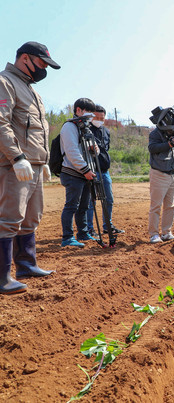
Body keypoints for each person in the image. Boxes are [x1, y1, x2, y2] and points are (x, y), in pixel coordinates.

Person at [0, 41, 59, 293]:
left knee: (31, 218)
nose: (44, 69)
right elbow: (1, 123)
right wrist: (16, 157)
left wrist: (42, 162)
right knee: (9, 218)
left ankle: (26, 265)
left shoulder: (32, 90)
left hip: (34, 165)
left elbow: (38, 131)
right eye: (42, 63)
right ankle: (2, 277)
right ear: (26, 58)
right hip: (16, 165)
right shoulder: (6, 82)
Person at [60, 98, 98, 247]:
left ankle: (83, 233)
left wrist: (94, 149)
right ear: (78, 110)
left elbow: (95, 149)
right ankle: (67, 237)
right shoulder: (69, 127)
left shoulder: (85, 127)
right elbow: (71, 151)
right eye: (87, 111)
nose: (90, 115)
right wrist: (85, 169)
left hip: (84, 173)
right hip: (72, 172)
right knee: (71, 206)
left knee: (84, 206)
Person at [148, 108, 174, 243]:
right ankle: (154, 234)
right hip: (159, 173)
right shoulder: (156, 133)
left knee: (170, 205)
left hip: (172, 174)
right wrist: (169, 144)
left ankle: (166, 232)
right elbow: (152, 148)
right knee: (156, 206)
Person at [85, 104, 124, 236]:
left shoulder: (106, 131)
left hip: (104, 170)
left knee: (108, 198)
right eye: (96, 117)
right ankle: (89, 228)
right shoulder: (86, 130)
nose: (99, 119)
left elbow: (105, 149)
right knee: (92, 200)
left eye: (102, 117)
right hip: (91, 170)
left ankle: (108, 225)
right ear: (91, 116)